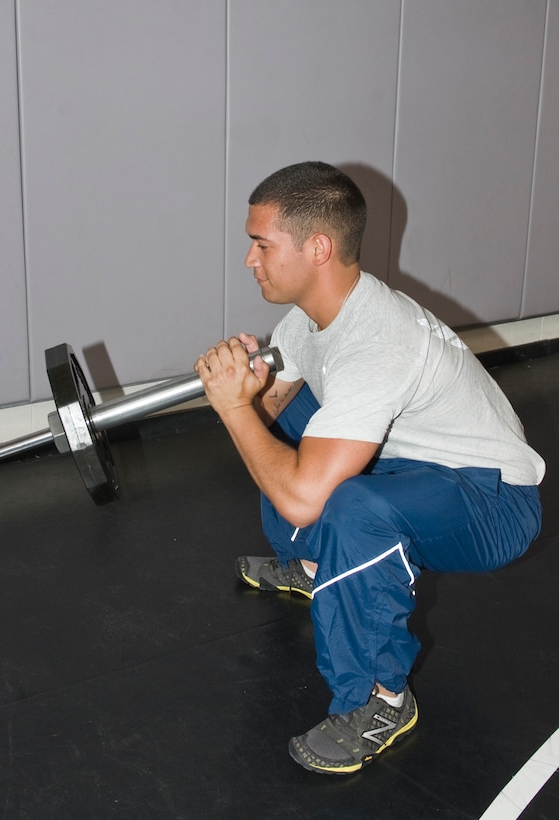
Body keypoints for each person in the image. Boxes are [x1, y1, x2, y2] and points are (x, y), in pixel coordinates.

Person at [194, 161, 545, 776]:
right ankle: (313, 567)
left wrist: (230, 408)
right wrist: (250, 390)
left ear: (318, 247)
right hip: (419, 461)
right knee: (293, 423)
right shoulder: (310, 316)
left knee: (352, 508)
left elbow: (303, 497)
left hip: (492, 500)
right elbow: (274, 416)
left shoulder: (378, 339)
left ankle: (380, 700)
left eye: (261, 244)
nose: (250, 260)